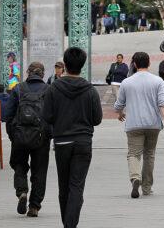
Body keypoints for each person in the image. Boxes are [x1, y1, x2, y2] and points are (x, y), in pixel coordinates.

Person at [42, 47, 102, 228]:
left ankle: (67, 224)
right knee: (77, 186)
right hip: (83, 141)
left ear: (65, 65)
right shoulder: (90, 90)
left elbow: (47, 116)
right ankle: (70, 225)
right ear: (82, 66)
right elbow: (97, 119)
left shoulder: (53, 88)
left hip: (62, 141)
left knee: (64, 186)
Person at [114, 52, 164, 198]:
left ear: (134, 64)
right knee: (149, 154)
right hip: (153, 124)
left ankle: (135, 178)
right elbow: (163, 104)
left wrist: (120, 113)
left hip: (134, 125)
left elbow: (118, 105)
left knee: (134, 153)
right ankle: (147, 187)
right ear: (149, 63)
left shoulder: (127, 82)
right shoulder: (157, 81)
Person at [6, 62, 51, 218]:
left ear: (27, 73)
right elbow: (54, 116)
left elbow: (8, 115)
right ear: (43, 74)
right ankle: (34, 206)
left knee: (19, 165)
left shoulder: (18, 89)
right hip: (41, 139)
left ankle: (22, 192)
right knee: (39, 171)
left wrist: (12, 136)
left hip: (19, 137)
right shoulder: (49, 90)